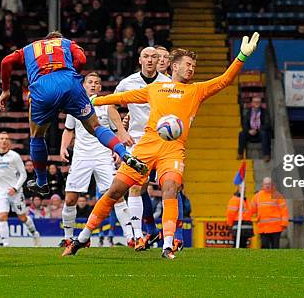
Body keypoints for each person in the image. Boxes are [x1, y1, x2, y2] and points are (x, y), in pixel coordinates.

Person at [64, 32, 260, 259]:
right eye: (188, 65)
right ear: (175, 67)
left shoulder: (196, 91)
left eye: (194, 66)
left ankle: (167, 244)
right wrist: (95, 100)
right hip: (145, 147)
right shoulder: (155, 89)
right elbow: (122, 98)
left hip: (173, 149)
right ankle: (82, 238)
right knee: (115, 191)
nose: (191, 69)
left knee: (170, 189)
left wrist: (242, 56)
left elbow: (225, 80)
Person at [0, 31, 147, 196]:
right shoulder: (67, 43)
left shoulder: (29, 48)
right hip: (70, 83)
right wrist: (72, 75)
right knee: (96, 126)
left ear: (46, 40)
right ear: (58, 40)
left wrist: (5, 90)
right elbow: (82, 59)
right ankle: (125, 154)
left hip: (43, 88)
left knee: (37, 136)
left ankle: (41, 182)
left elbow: (6, 61)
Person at [104, 47, 171, 251]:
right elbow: (111, 106)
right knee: (134, 186)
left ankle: (172, 238)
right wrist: (122, 133)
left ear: (159, 59)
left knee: (170, 187)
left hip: (163, 140)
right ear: (140, 59)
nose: (150, 60)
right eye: (146, 56)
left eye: (154, 57)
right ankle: (138, 235)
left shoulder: (168, 84)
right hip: (138, 141)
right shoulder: (128, 82)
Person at [59, 72, 134, 247]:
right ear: (84, 85)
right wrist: (63, 147)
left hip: (103, 156)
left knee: (116, 195)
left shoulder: (106, 105)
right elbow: (69, 130)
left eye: (97, 83)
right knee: (70, 199)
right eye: (90, 82)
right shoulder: (74, 105)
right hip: (81, 157)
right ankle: (68, 237)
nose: (93, 85)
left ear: (100, 87)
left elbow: (116, 132)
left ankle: (130, 237)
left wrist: (117, 151)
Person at [0, 132, 41, 246]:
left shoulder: (14, 156)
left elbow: (23, 175)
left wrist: (15, 188)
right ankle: (5, 244)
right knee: (2, 216)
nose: (4, 141)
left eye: (6, 139)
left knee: (22, 217)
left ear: (9, 142)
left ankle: (35, 233)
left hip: (15, 192)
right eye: (1, 138)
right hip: (1, 191)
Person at [249, 177, 289, 249]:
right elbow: (251, 210)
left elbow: (284, 210)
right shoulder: (257, 196)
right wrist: (246, 218)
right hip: (263, 228)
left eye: (269, 184)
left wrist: (284, 223)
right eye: (266, 184)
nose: (267, 185)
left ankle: (275, 260)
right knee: (264, 246)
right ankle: (265, 260)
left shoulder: (277, 195)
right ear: (262, 185)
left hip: (276, 227)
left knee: (275, 247)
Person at [238, 96, 272, 162]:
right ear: (252, 103)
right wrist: (248, 130)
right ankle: (240, 153)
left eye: (258, 102)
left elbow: (267, 124)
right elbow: (244, 124)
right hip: (250, 133)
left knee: (264, 133)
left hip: (260, 133)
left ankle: (266, 155)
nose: (256, 103)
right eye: (255, 102)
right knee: (241, 133)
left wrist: (257, 130)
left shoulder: (265, 112)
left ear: (261, 103)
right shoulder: (247, 112)